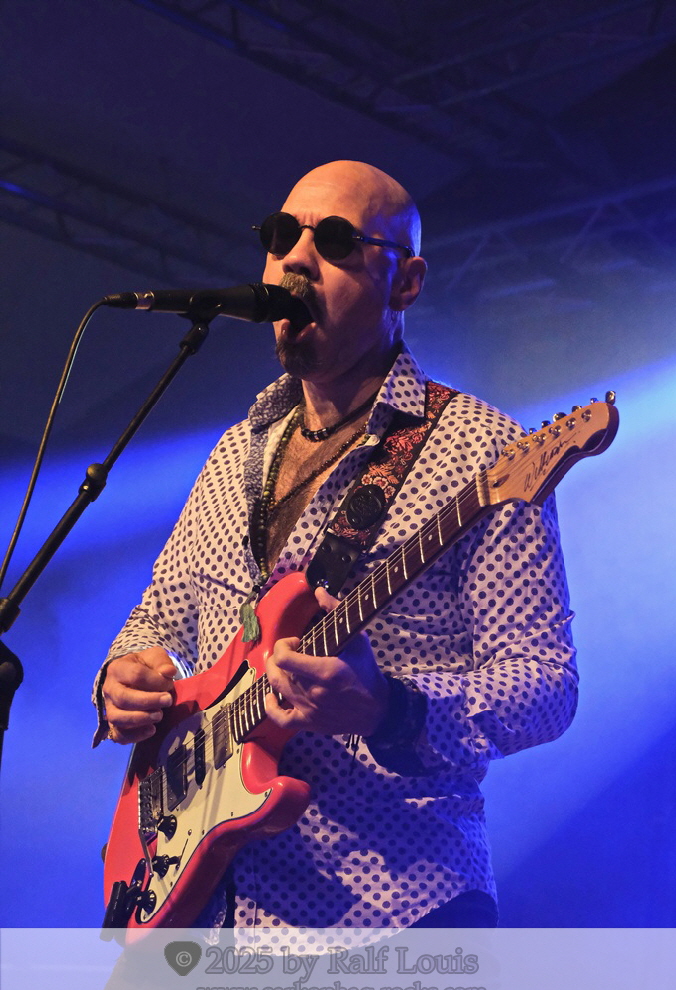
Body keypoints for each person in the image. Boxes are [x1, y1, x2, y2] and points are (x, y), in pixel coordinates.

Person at [94, 160, 578, 930]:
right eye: (282, 235)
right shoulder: (236, 451)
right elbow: (160, 619)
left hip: (391, 911)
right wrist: (127, 674)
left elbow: (547, 684)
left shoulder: (482, 451)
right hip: (199, 911)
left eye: (336, 242)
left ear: (406, 283)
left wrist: (392, 708)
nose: (296, 258)